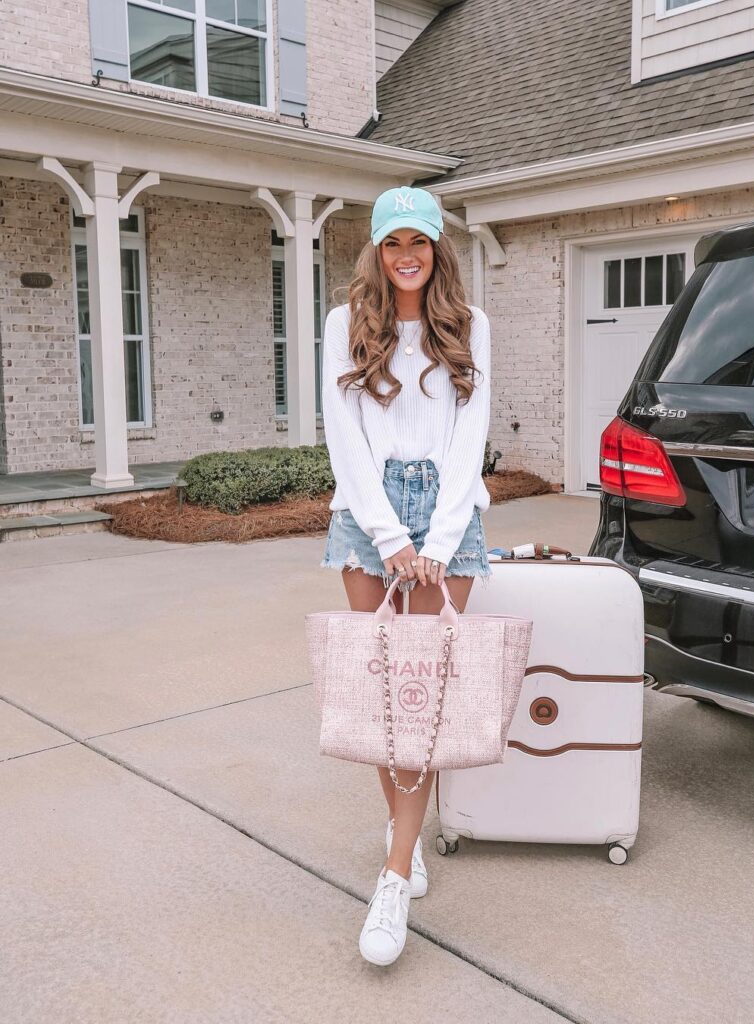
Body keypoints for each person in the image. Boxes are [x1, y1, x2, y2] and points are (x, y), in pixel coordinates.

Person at [319, 184, 492, 966]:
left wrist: (441, 536)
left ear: (436, 247)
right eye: (393, 243)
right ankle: (405, 840)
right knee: (383, 696)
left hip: (448, 509)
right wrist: (390, 538)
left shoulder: (469, 327)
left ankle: (392, 877)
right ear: (377, 251)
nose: (407, 256)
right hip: (367, 512)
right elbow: (343, 436)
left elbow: (470, 436)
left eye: (418, 242)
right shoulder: (344, 324)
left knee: (423, 704)